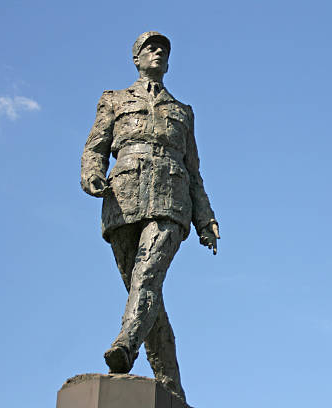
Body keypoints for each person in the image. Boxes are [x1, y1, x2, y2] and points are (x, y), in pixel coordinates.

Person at [80, 31, 219, 401]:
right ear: (136, 58)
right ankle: (172, 388)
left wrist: (205, 218)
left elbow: (193, 170)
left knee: (147, 276)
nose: (157, 52)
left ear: (168, 62)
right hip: (122, 199)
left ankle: (125, 344)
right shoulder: (114, 100)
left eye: (163, 49)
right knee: (144, 294)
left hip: (172, 202)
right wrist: (91, 173)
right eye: (150, 48)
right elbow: (95, 147)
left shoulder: (182, 112)